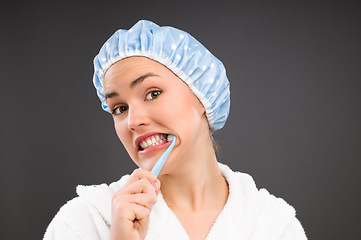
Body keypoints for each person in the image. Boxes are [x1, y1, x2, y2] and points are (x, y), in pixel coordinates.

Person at [43, 20, 307, 240]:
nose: (133, 121)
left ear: (201, 97)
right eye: (119, 108)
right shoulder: (83, 222)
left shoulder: (274, 226)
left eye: (153, 93)